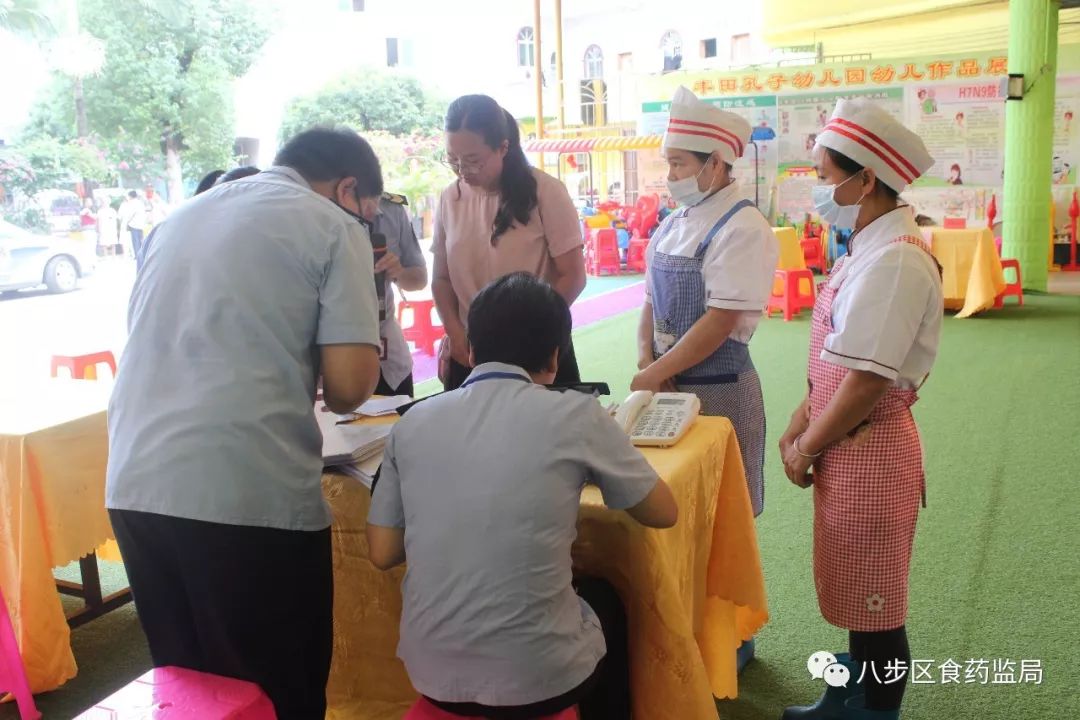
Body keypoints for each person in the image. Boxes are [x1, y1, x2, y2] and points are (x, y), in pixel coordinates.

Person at [106, 127, 385, 719]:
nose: (371, 222)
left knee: (191, 695)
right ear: (349, 188)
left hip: (136, 483)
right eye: (371, 210)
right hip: (245, 495)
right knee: (277, 693)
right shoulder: (334, 226)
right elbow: (349, 389)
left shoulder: (177, 219)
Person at [367, 272, 678, 719]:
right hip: (542, 680)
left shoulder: (413, 421)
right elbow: (662, 512)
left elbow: (382, 552)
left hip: (432, 675)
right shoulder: (576, 414)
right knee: (608, 597)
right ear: (554, 357)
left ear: (471, 349)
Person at [778, 99, 942, 720]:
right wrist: (803, 417)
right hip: (849, 441)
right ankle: (849, 695)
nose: (819, 189)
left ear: (865, 179)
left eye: (824, 176)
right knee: (855, 584)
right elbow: (839, 361)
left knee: (877, 601)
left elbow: (867, 383)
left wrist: (809, 444)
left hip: (868, 446)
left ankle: (877, 712)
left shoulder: (896, 260)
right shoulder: (870, 244)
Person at [634, 86, 778, 520]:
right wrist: (646, 362)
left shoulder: (743, 227)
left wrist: (656, 371)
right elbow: (649, 301)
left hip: (719, 391)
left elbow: (720, 321)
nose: (670, 174)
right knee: (676, 513)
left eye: (679, 163)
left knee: (721, 519)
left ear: (715, 163)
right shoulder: (673, 222)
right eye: (669, 163)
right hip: (664, 386)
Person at [432, 94, 587, 391]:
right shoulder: (449, 198)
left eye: (473, 160)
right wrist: (455, 334)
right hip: (470, 351)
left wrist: (530, 333)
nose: (462, 170)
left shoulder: (546, 192)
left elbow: (573, 276)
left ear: (503, 148)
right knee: (469, 435)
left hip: (536, 351)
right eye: (453, 160)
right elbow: (441, 279)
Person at [360, 191, 428, 397]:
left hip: (390, 360)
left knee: (402, 423)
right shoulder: (321, 214)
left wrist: (399, 272)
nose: (372, 208)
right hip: (342, 354)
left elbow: (419, 280)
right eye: (363, 196)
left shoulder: (393, 210)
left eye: (376, 196)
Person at [119, 190, 148, 259]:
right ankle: (142, 254)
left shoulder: (132, 203)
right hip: (140, 224)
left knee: (135, 241)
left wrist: (127, 222)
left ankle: (138, 255)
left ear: (130, 196)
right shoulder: (140, 203)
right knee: (140, 240)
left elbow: (131, 214)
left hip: (134, 224)